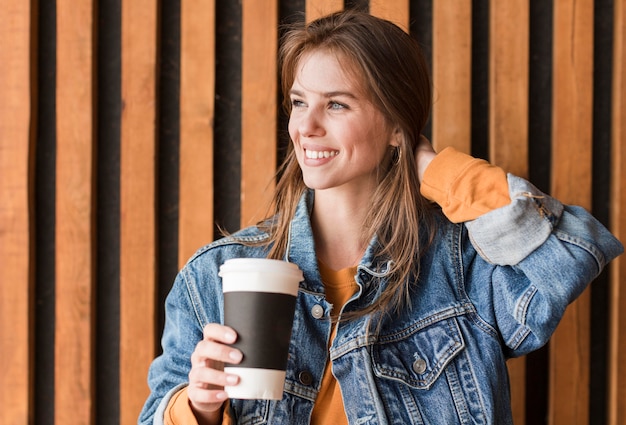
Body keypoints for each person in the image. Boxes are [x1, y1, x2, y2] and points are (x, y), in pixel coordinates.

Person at [139, 10, 623, 425]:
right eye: (299, 102)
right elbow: (157, 410)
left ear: (395, 125)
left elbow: (569, 253)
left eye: (337, 104)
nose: (305, 126)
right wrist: (196, 407)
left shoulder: (461, 265)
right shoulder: (214, 276)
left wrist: (433, 167)